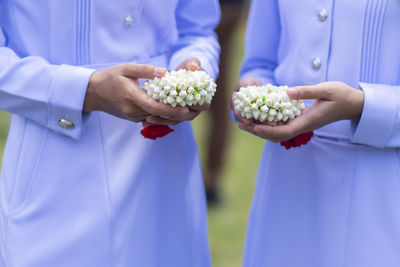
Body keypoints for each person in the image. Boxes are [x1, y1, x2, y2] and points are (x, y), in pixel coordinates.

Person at [0, 0, 220, 266]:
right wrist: (84, 90)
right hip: (52, 163)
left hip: (163, 163)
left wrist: (193, 70)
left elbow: (196, 29)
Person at [233, 0, 400, 266]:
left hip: (382, 182)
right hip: (288, 178)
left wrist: (362, 105)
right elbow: (260, 62)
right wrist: (255, 95)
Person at [204, 0, 247, 204]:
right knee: (219, 95)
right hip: (230, 8)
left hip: (223, 9)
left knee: (211, 94)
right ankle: (211, 176)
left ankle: (209, 176)